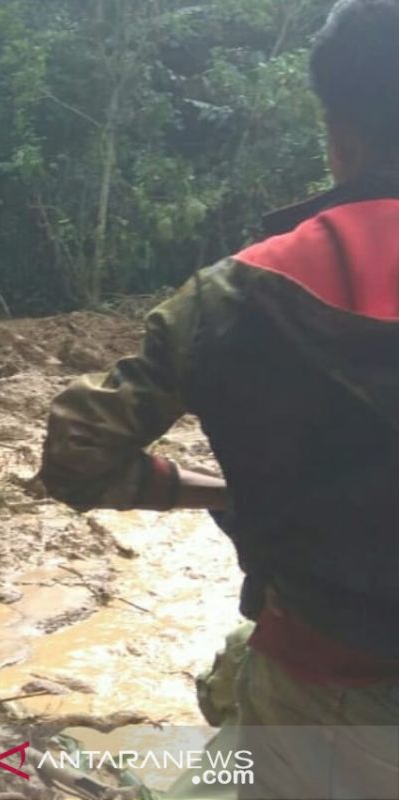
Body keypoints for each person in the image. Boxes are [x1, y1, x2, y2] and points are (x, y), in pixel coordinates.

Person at [39, 2, 399, 797]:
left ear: (335, 132)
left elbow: (78, 454)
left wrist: (220, 490)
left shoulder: (231, 297)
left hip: (324, 687)